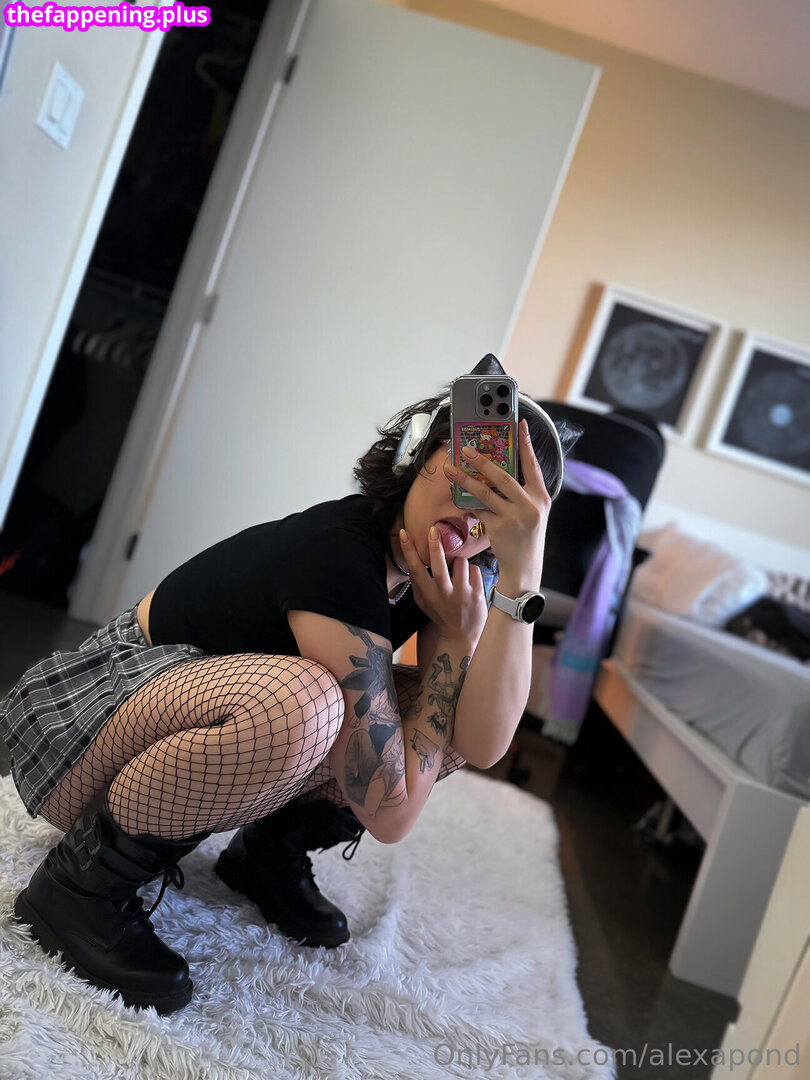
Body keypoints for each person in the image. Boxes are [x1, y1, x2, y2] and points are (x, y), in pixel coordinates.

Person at [1, 355, 572, 1014]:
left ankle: (268, 851)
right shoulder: (340, 550)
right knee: (307, 700)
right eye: (471, 474)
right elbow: (390, 811)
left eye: (503, 508)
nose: (475, 512)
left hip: (190, 732)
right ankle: (80, 889)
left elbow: (481, 739)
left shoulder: (444, 574)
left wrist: (504, 595)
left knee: (439, 706)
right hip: (92, 722)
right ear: (421, 451)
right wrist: (447, 649)